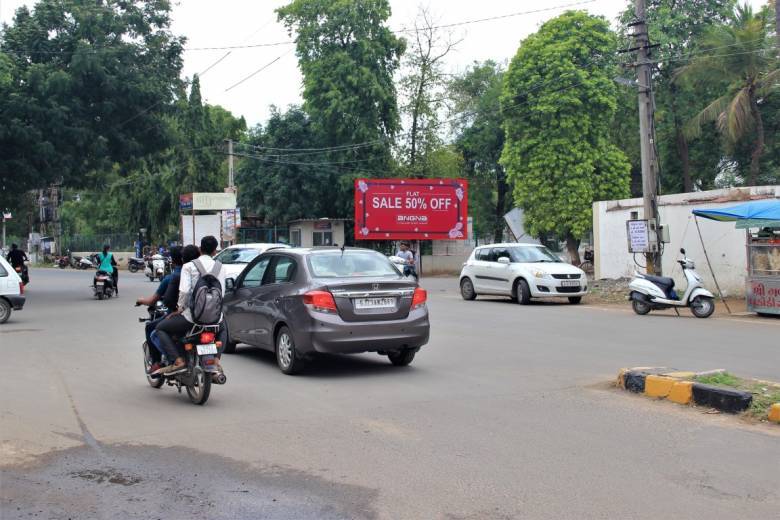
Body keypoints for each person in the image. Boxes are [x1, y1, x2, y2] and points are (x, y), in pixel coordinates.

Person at [155, 236, 226, 375]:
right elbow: (222, 293)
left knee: (160, 328)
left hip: (191, 319)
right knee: (223, 329)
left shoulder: (189, 266)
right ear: (215, 251)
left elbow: (185, 292)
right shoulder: (220, 267)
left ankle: (178, 360)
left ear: (200, 249)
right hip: (214, 319)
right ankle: (217, 360)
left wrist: (180, 309)